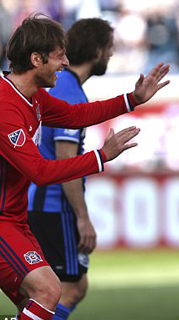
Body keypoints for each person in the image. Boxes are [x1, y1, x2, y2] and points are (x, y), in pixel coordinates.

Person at [0, 14, 170, 320]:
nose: (65, 62)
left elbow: (77, 115)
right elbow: (39, 171)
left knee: (36, 300)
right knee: (50, 291)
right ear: (36, 59)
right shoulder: (5, 106)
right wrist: (101, 157)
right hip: (2, 222)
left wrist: (133, 99)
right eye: (58, 56)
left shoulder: (33, 98)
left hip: (16, 219)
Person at [26, 18, 114, 320]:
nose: (112, 55)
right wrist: (83, 218)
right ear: (98, 51)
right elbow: (66, 163)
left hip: (36, 200)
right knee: (68, 289)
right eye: (110, 48)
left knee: (49, 290)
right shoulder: (69, 92)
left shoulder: (58, 84)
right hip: (52, 206)